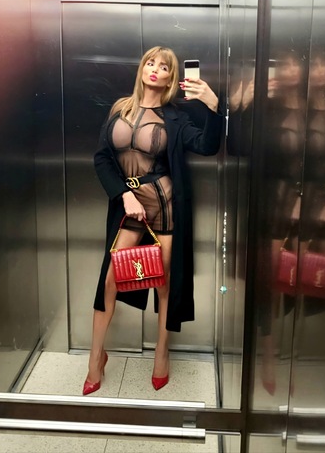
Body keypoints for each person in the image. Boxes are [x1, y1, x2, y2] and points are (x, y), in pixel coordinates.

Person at [83, 46, 222, 395]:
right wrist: (123, 194)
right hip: (128, 207)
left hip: (165, 205)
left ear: (171, 77)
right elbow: (102, 158)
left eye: (164, 66)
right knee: (110, 281)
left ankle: (162, 351)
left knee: (164, 283)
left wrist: (213, 106)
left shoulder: (175, 116)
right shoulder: (120, 108)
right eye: (150, 62)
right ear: (142, 69)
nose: (155, 69)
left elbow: (207, 146)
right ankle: (96, 356)